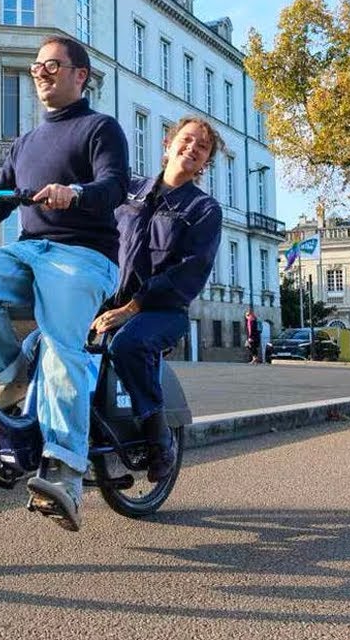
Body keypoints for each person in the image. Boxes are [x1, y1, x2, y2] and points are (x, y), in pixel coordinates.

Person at [0, 36, 130, 532]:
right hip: (30, 251)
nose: (40, 74)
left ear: (80, 75)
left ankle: (67, 473)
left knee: (58, 345)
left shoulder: (100, 128)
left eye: (52, 65)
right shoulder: (24, 143)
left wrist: (75, 193)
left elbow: (115, 186)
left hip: (84, 256)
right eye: (37, 67)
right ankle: (12, 376)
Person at [90, 115, 224, 483]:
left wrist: (132, 308)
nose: (193, 148)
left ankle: (159, 438)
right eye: (187, 139)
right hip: (109, 301)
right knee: (49, 338)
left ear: (206, 162)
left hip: (163, 310)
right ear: (168, 143)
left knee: (127, 345)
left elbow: (188, 272)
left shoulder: (204, 209)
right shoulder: (130, 190)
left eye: (202, 147)